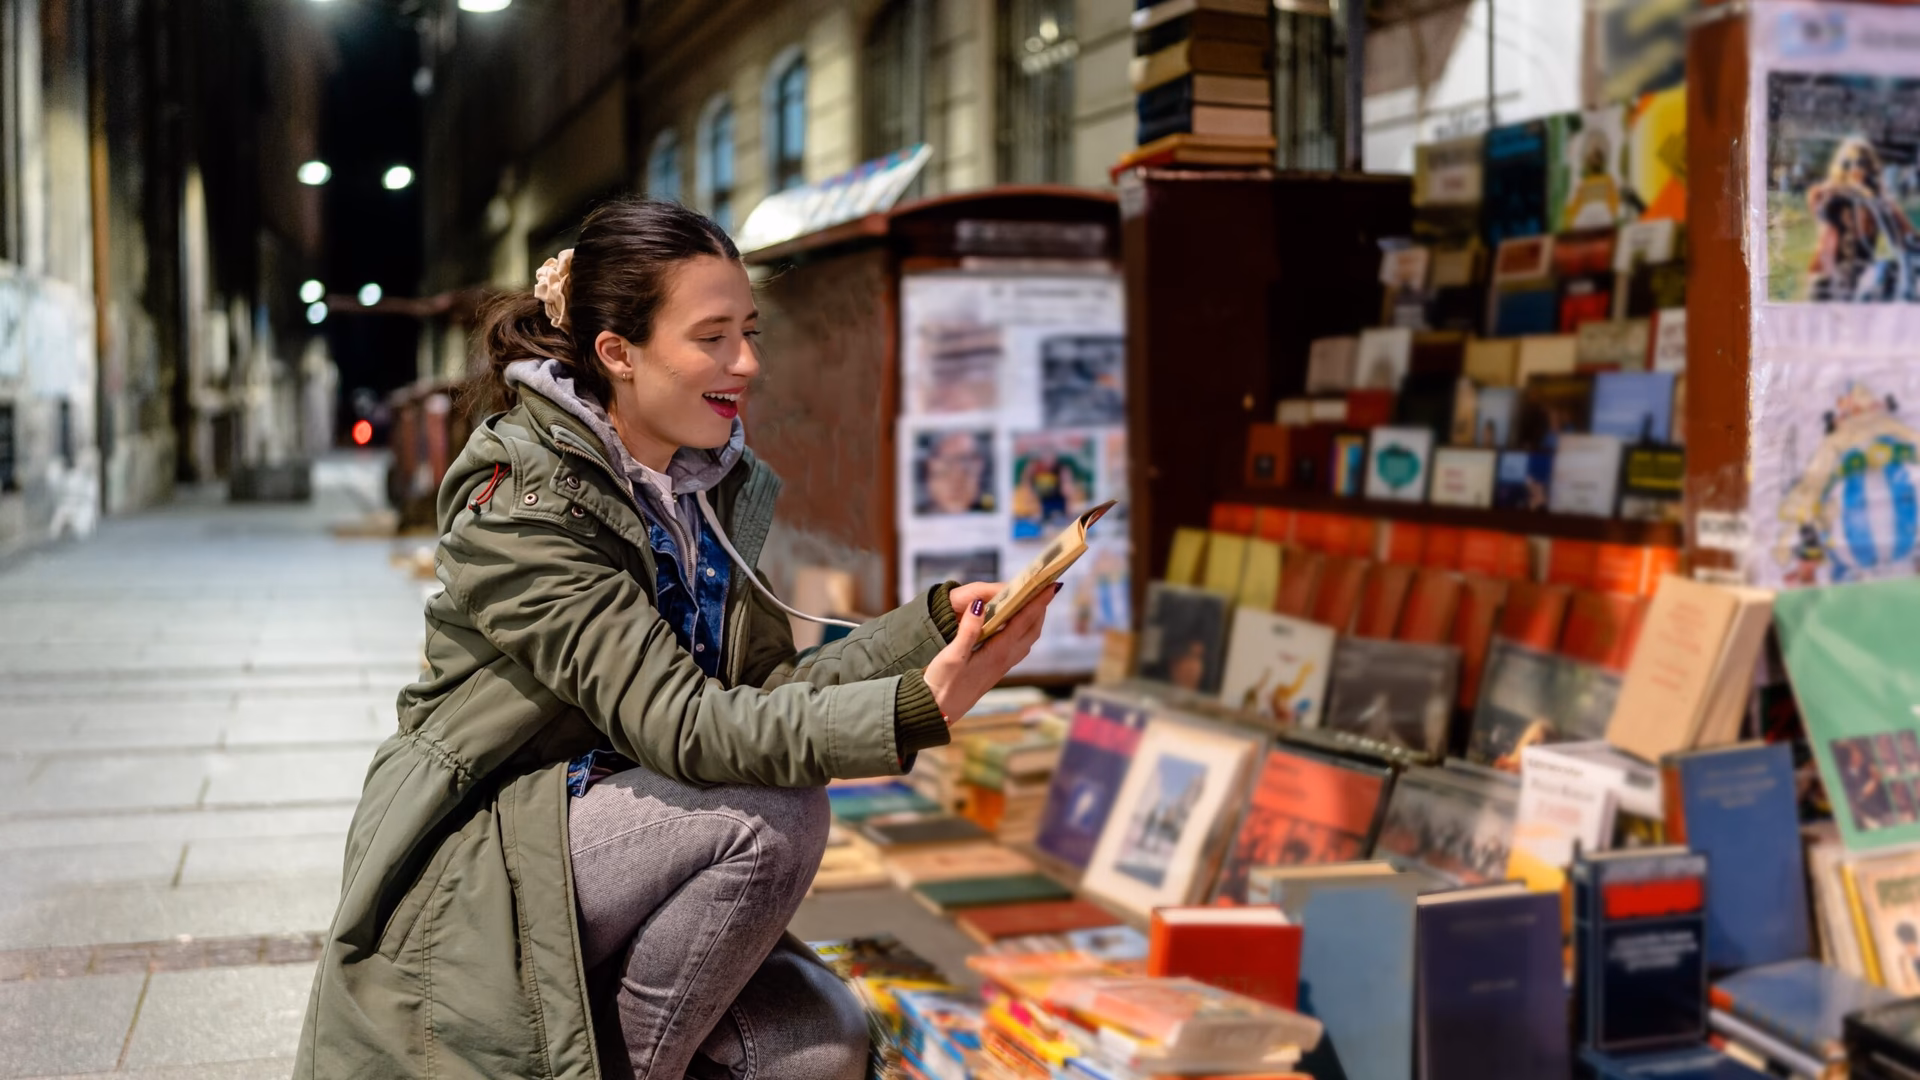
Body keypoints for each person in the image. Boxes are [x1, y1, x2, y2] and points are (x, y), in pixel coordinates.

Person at [295, 199, 1056, 1080]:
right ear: (618, 353)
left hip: (621, 839)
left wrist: (926, 638)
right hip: (492, 857)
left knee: (820, 1045)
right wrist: (917, 709)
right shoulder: (523, 504)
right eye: (714, 338)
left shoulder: (704, 490)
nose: (748, 362)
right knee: (771, 816)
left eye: (750, 330)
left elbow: (762, 699)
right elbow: (687, 727)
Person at [1806, 136, 1920, 302]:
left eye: (1861, 163)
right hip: (1828, 277)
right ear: (1841, 167)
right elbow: (1819, 202)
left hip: (1862, 275)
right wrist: (1849, 192)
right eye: (1848, 163)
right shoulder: (1831, 199)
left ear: (1870, 168)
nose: (1855, 169)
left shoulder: (1878, 201)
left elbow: (1905, 231)